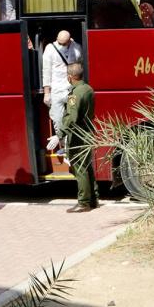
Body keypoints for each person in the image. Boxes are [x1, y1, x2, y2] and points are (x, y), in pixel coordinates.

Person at [48, 62, 99, 212]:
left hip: (78, 135)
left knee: (80, 168)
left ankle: (83, 202)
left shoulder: (75, 94)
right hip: (88, 132)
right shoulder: (88, 88)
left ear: (70, 77)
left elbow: (71, 117)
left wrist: (59, 135)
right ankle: (94, 198)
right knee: (87, 167)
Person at [42, 30, 82, 135]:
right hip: (56, 91)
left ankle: (69, 146)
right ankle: (63, 144)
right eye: (59, 43)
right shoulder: (50, 49)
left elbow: (81, 67)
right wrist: (47, 93)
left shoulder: (77, 48)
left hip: (71, 90)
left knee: (73, 117)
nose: (61, 45)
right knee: (58, 120)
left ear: (69, 41)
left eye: (63, 44)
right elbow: (46, 71)